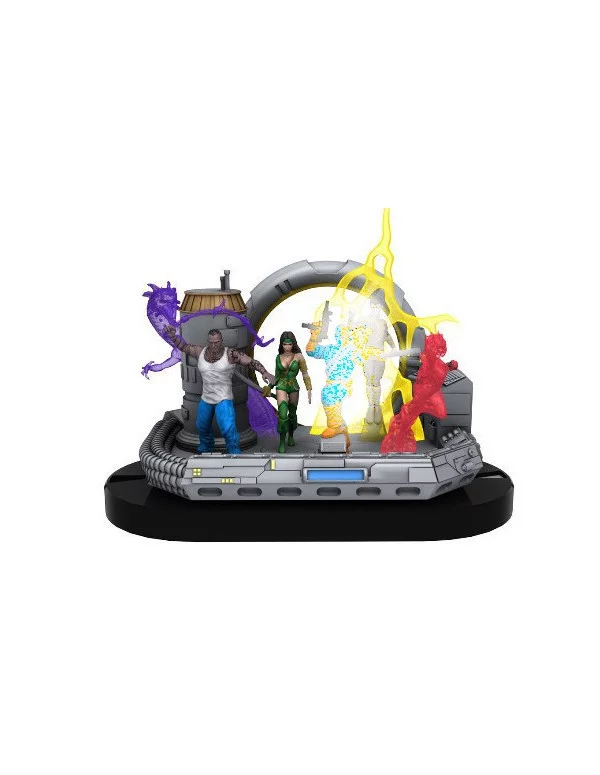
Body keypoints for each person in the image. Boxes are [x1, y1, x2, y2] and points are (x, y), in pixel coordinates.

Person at [164, 326, 275, 454]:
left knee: (227, 428)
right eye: (211, 342)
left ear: (221, 341)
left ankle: (234, 453)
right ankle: (205, 450)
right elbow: (183, 347)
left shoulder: (230, 354)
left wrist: (264, 372)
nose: (214, 345)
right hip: (206, 399)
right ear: (208, 341)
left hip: (224, 399)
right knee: (202, 426)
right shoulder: (200, 352)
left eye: (216, 342)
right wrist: (173, 337)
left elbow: (250, 361)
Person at [262, 332, 312, 453]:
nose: (287, 347)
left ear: (293, 344)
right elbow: (277, 376)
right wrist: (269, 387)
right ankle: (282, 442)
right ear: (281, 345)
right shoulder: (278, 357)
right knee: (283, 415)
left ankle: (291, 436)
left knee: (292, 414)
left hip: (294, 386)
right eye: (285, 344)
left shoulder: (299, 356)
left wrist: (309, 388)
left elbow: (305, 373)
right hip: (281, 386)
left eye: (289, 344)